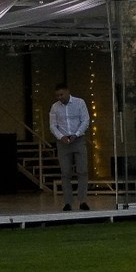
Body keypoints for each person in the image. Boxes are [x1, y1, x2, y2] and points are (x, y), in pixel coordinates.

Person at [48, 82, 91, 211]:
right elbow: (52, 125)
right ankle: (68, 202)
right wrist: (60, 136)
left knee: (82, 170)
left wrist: (76, 134)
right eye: (57, 95)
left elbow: (85, 120)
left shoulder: (79, 103)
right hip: (63, 142)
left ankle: (83, 200)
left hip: (78, 139)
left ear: (67, 92)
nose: (59, 97)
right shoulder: (54, 107)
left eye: (61, 94)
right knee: (65, 172)